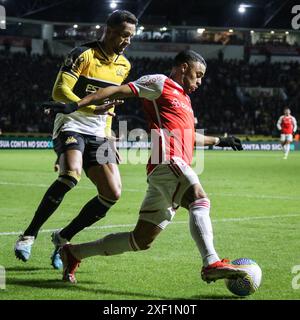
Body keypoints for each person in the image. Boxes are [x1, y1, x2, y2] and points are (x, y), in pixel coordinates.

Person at [44, 50, 246, 284]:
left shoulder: (186, 100)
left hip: (170, 169)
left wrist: (221, 140)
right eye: (197, 75)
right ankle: (210, 262)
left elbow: (189, 137)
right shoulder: (160, 83)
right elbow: (115, 90)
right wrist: (76, 104)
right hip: (166, 160)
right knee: (199, 199)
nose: (199, 82)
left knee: (140, 240)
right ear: (183, 67)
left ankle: (73, 252)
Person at [14, 10, 138, 269]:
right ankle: (28, 235)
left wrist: (110, 135)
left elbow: (110, 104)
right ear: (109, 30)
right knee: (71, 173)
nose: (128, 41)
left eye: (131, 37)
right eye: (124, 35)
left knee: (112, 193)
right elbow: (59, 91)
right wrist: (90, 109)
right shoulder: (83, 54)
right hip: (71, 122)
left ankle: (63, 238)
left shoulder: (124, 65)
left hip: (100, 131)